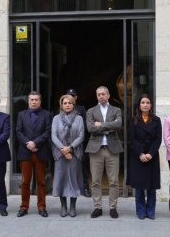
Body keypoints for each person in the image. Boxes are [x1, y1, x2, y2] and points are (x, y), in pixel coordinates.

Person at [86, 86, 122, 219]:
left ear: (108, 95)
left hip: (112, 149)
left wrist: (100, 125)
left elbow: (118, 125)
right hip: (96, 149)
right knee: (95, 181)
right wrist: (108, 126)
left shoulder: (116, 109)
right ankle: (97, 207)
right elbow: (90, 128)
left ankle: (113, 207)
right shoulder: (91, 111)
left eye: (103, 94)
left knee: (113, 181)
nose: (101, 96)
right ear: (96, 96)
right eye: (98, 94)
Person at [16, 91, 52, 217]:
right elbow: (18, 131)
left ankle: (42, 207)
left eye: (36, 99)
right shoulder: (21, 114)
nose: (34, 101)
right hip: (25, 152)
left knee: (41, 182)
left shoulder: (47, 114)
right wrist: (28, 143)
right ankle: (24, 207)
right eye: (32, 99)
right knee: (25, 181)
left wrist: (35, 143)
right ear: (28, 101)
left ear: (40, 101)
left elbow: (48, 132)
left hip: (40, 152)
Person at [129, 94, 162, 220]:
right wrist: (141, 153)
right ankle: (141, 210)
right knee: (139, 186)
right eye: (143, 102)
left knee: (151, 186)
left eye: (147, 102)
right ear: (139, 105)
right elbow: (132, 139)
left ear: (151, 105)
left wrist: (150, 154)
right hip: (138, 156)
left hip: (151, 156)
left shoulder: (157, 120)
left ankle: (151, 210)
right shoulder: (133, 120)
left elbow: (158, 139)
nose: (145, 104)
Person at [52, 94, 84, 217]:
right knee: (61, 180)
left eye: (69, 103)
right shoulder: (56, 118)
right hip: (60, 154)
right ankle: (63, 206)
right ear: (61, 105)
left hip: (74, 153)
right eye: (65, 103)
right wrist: (63, 150)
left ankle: (73, 207)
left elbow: (81, 136)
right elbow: (53, 136)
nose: (67, 105)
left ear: (73, 105)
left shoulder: (79, 119)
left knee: (73, 180)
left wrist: (70, 148)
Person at [66, 88, 91, 197]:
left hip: (79, 143)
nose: (71, 97)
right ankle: (68, 188)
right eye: (69, 95)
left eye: (73, 95)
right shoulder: (61, 109)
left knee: (82, 166)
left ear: (76, 97)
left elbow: (85, 126)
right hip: (65, 144)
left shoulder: (81, 109)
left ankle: (85, 187)